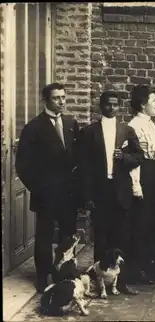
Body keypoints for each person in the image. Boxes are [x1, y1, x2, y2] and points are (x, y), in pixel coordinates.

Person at [16, 83, 80, 293]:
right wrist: (39, 188)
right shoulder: (34, 127)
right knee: (44, 236)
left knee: (68, 234)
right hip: (46, 193)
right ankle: (43, 276)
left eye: (63, 97)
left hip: (69, 192)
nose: (61, 101)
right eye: (56, 98)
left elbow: (77, 157)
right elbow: (23, 165)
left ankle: (65, 272)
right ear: (46, 100)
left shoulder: (71, 123)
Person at [79, 91, 143, 295]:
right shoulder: (90, 132)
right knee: (102, 237)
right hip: (101, 191)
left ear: (119, 107)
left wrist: (124, 157)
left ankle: (121, 282)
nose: (111, 108)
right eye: (108, 104)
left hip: (121, 192)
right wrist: (88, 195)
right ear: (101, 106)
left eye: (115, 105)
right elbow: (84, 167)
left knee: (122, 236)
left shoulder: (127, 130)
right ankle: (100, 283)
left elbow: (139, 156)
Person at [128, 84, 155, 284]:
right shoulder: (134, 125)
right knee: (143, 221)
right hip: (144, 174)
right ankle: (139, 267)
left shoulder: (150, 123)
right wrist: (136, 185)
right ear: (143, 105)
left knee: (154, 220)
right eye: (154, 102)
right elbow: (134, 159)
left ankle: (153, 266)